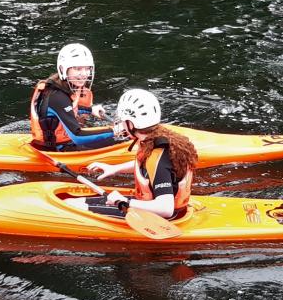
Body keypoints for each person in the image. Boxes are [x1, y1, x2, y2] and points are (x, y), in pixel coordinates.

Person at [82, 89, 198, 221]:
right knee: (74, 202)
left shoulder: (158, 156)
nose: (121, 125)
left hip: (160, 217)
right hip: (152, 206)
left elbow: (166, 208)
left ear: (131, 124)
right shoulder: (156, 139)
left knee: (74, 206)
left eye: (123, 121)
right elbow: (149, 166)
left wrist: (125, 201)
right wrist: (114, 169)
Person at [30, 43, 115, 151]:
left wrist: (90, 110)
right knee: (121, 138)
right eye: (78, 69)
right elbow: (78, 136)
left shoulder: (61, 89)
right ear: (63, 69)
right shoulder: (56, 97)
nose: (84, 74)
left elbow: (66, 109)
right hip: (58, 149)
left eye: (87, 68)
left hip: (57, 143)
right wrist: (115, 130)